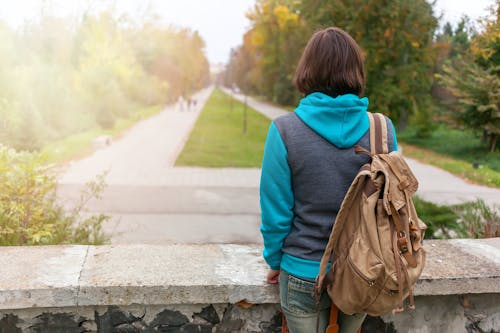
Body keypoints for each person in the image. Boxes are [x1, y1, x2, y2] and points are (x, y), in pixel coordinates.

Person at [259, 27, 398, 333]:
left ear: (307, 70)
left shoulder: (284, 130)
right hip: (365, 269)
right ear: (355, 71)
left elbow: (275, 215)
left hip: (301, 270)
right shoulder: (382, 130)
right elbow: (392, 206)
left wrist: (274, 260)